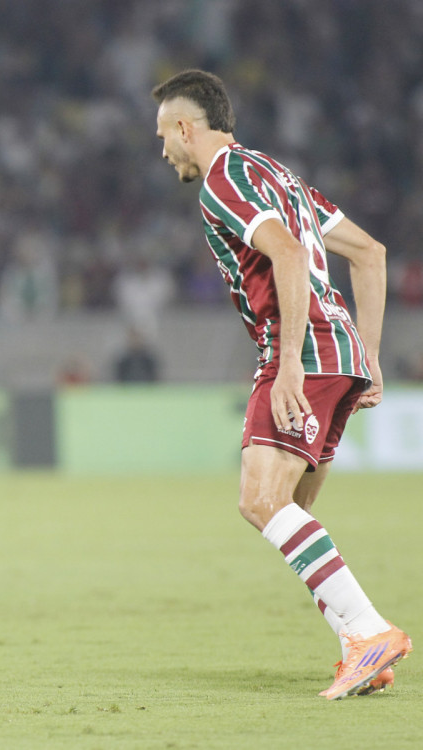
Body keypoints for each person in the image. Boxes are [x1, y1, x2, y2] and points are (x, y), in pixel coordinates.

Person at [152, 69, 410, 700]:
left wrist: (289, 360)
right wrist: (369, 355)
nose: (162, 151)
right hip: (339, 349)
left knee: (262, 501)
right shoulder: (275, 174)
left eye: (163, 135)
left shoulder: (223, 180)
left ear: (188, 127)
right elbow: (370, 252)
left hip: (304, 351)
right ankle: (361, 647)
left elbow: (290, 256)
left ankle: (370, 633)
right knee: (289, 511)